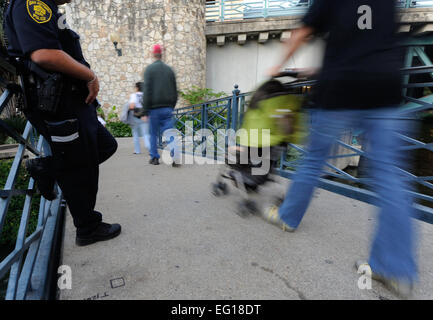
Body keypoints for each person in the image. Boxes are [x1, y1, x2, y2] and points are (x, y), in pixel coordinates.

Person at [264, 0, 417, 297]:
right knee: (392, 176)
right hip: (386, 85)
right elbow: (369, 35)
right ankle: (396, 269)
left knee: (313, 160)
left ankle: (288, 217)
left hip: (340, 88)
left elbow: (302, 32)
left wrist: (275, 67)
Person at [5, 0, 121, 246]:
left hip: (70, 101)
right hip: (57, 102)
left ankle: (48, 168)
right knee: (79, 165)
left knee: (104, 146)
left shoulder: (46, 6)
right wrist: (90, 76)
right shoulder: (31, 2)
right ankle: (88, 228)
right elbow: (43, 54)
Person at [139, 44, 180, 167]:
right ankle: (175, 156)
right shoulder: (169, 70)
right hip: (168, 108)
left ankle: (155, 158)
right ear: (161, 54)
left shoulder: (149, 70)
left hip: (154, 109)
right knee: (170, 133)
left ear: (153, 54)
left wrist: (145, 111)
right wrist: (171, 106)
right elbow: (175, 91)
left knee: (153, 134)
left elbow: (147, 92)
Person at [128, 82, 150, 154]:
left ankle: (137, 151)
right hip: (145, 116)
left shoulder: (134, 95)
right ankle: (150, 148)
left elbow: (131, 106)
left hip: (135, 117)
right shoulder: (146, 96)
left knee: (135, 133)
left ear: (137, 88)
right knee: (146, 133)